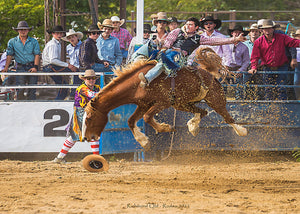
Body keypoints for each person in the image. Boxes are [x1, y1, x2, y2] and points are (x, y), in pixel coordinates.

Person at [138, 17, 247, 88]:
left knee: (164, 63)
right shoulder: (177, 31)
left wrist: (233, 40)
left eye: (191, 24)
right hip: (167, 52)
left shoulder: (199, 38)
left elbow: (216, 41)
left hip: (180, 58)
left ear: (196, 27)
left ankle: (147, 78)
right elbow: (169, 41)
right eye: (187, 23)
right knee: (146, 50)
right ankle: (133, 65)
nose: (188, 26)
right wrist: (163, 49)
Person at [53, 69, 101, 163]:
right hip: (81, 114)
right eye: (89, 78)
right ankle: (97, 158)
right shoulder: (82, 88)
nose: (91, 80)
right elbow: (93, 96)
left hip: (88, 113)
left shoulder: (97, 88)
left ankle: (59, 158)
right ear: (85, 79)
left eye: (93, 78)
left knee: (74, 137)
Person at [249, 19, 300, 100]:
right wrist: (254, 67)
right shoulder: (259, 41)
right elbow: (255, 56)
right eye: (265, 29)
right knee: (268, 89)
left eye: (269, 28)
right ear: (262, 30)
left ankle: (281, 107)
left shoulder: (282, 37)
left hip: (281, 66)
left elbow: (293, 42)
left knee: (281, 89)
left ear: (273, 29)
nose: (267, 30)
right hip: (267, 67)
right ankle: (270, 108)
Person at [1, 21, 40, 100]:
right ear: (18, 31)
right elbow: (9, 55)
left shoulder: (34, 41)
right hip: (20, 66)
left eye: (25, 29)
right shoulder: (12, 41)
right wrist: (6, 68)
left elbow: (37, 54)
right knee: (20, 88)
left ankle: (31, 106)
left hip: (31, 65)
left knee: (32, 88)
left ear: (28, 30)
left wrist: (35, 67)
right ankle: (20, 106)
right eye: (21, 29)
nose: (23, 31)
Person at [42, 25, 77, 100]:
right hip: (50, 66)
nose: (59, 35)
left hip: (50, 66)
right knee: (74, 72)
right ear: (53, 34)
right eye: (57, 33)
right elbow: (53, 60)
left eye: (60, 33)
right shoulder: (53, 44)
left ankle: (63, 98)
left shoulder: (56, 43)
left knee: (63, 85)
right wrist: (68, 65)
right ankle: (70, 95)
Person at [226, 25, 250, 100]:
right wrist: (223, 67)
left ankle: (239, 102)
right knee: (221, 88)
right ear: (232, 33)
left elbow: (246, 61)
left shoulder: (244, 47)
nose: (237, 34)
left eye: (240, 33)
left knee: (239, 89)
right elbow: (220, 56)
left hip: (237, 69)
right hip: (226, 68)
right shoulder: (225, 44)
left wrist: (241, 70)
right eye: (236, 32)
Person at [243, 23, 264, 99]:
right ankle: (247, 101)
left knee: (260, 87)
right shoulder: (244, 44)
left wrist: (258, 65)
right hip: (247, 67)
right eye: (252, 31)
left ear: (259, 33)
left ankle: (260, 102)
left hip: (260, 67)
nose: (254, 33)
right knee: (247, 87)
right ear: (249, 33)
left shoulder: (263, 44)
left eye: (256, 31)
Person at [62, 29, 83, 99]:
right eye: (69, 38)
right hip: (72, 68)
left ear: (76, 37)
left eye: (73, 37)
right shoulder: (68, 47)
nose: (71, 39)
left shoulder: (83, 46)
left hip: (81, 68)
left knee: (78, 83)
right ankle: (71, 95)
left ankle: (73, 95)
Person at [293, 29, 300, 100]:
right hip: (297, 64)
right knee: (296, 81)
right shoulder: (293, 44)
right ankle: (298, 98)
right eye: (298, 36)